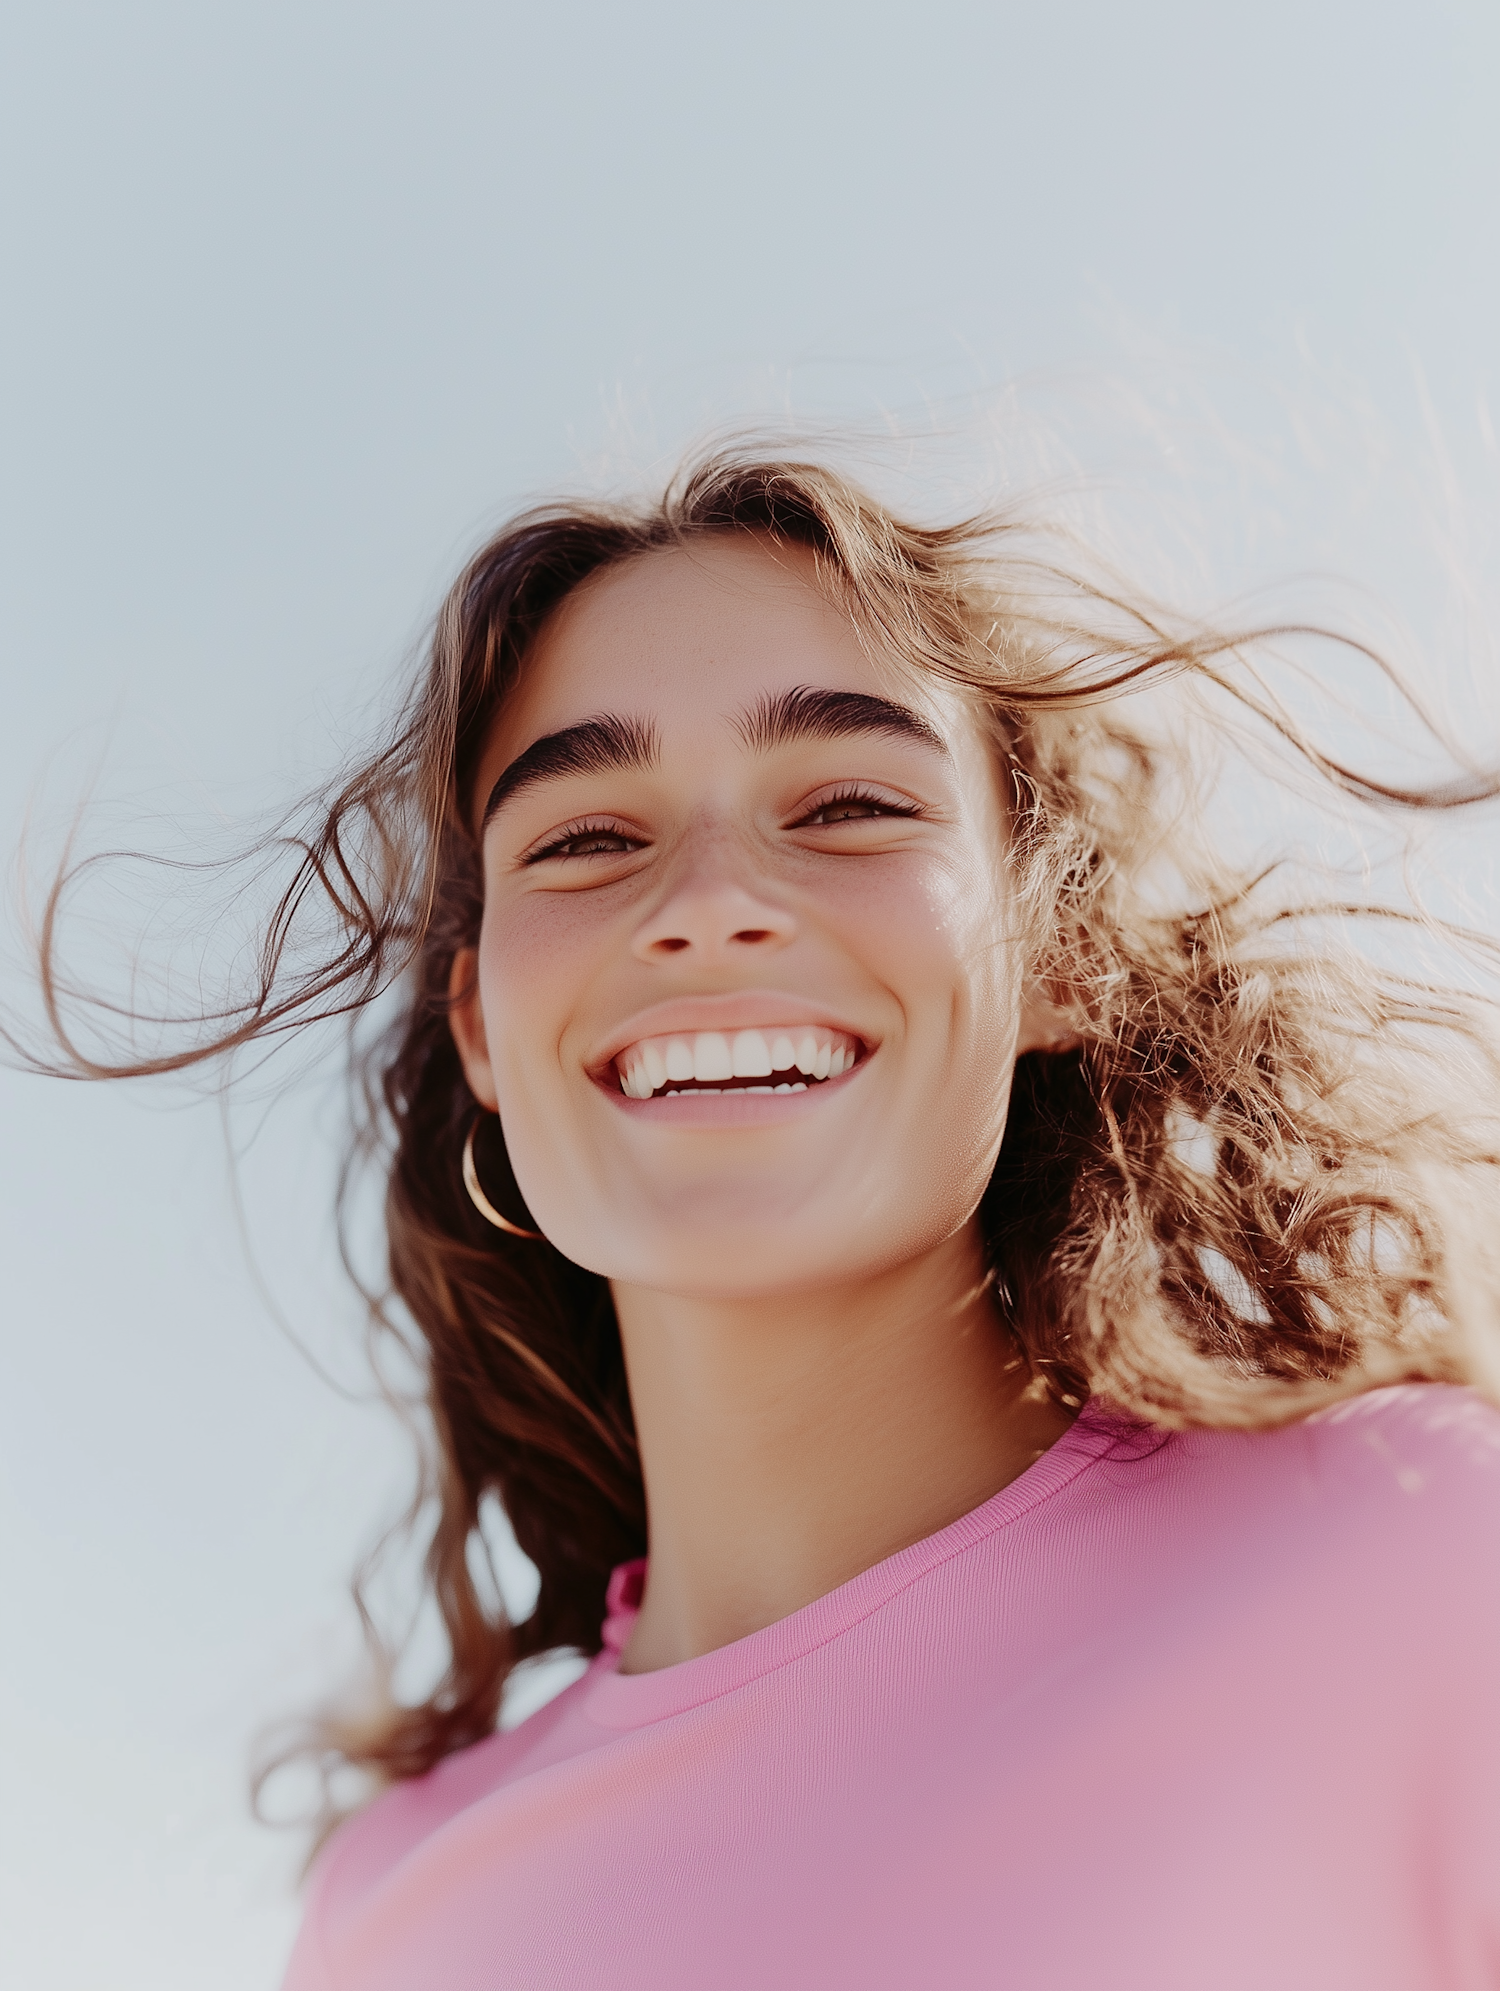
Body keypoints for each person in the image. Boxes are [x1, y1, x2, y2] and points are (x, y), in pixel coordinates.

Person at [34, 449, 1500, 1987]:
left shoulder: (1416, 1563)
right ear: (481, 1026)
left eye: (852, 804)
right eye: (586, 839)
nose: (709, 897)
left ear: (1055, 950)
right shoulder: (391, 1916)